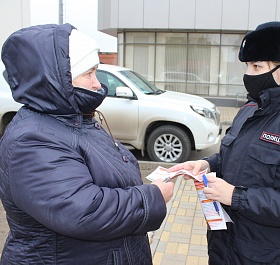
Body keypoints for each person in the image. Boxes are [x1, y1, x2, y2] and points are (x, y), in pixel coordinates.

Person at [168, 21, 280, 264]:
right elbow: (237, 158)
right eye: (248, 65)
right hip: (223, 247)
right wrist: (206, 165)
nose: (248, 74)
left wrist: (235, 196)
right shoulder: (251, 109)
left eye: (257, 66)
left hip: (266, 256)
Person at [0, 23, 174, 264]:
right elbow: (83, 212)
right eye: (88, 73)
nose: (97, 84)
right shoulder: (32, 140)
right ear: (55, 79)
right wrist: (152, 198)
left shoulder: (75, 119)